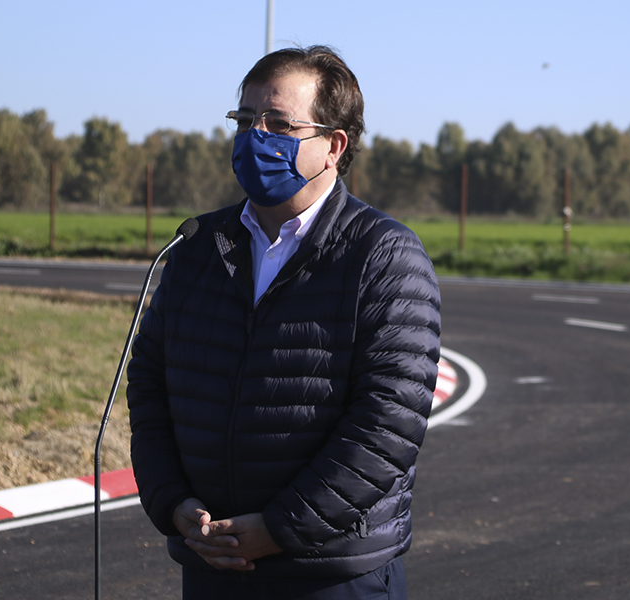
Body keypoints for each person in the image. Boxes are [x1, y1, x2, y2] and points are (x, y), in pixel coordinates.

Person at [127, 45, 441, 599]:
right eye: (245, 121)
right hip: (213, 565)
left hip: (331, 576)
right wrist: (171, 503)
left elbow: (388, 422)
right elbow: (148, 387)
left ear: (333, 146)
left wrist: (279, 529)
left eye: (278, 123)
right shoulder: (197, 248)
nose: (254, 137)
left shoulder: (383, 256)